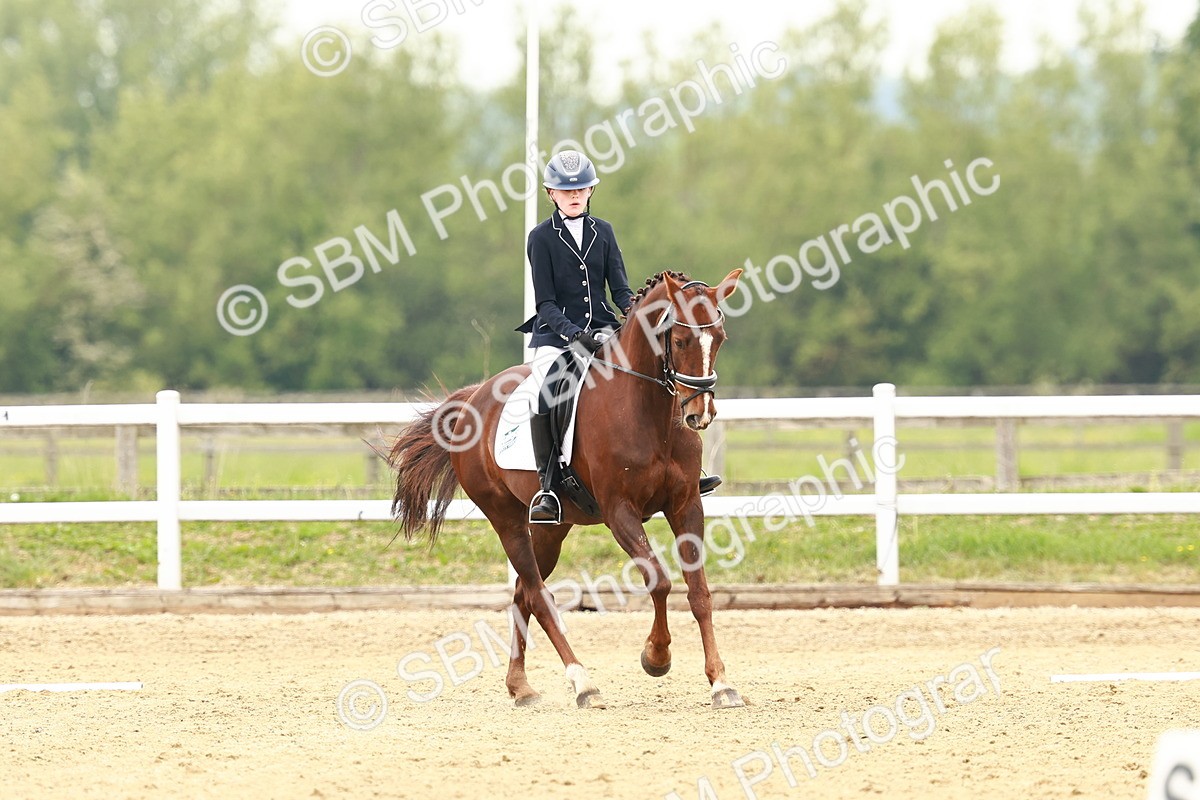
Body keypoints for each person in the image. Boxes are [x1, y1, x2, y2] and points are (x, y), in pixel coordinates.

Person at [516, 149, 721, 523]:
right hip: (556, 337)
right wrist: (574, 335)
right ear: (551, 193)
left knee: (659, 372)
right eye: (566, 190)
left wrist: (638, 317)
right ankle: (549, 488)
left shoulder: (604, 232)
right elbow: (545, 303)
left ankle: (685, 468)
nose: (574, 195)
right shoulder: (540, 238)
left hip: (606, 329)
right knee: (545, 393)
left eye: (580, 189)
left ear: (591, 190)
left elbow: (622, 291)